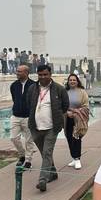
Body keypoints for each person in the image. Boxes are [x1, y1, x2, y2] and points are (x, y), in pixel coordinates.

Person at [27, 64, 69, 192]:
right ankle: (53, 172)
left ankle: (42, 180)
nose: (43, 77)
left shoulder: (59, 89)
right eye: (40, 75)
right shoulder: (32, 89)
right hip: (35, 127)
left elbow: (65, 105)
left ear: (50, 74)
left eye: (45, 74)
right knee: (45, 153)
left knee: (46, 152)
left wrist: (59, 120)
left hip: (52, 127)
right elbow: (29, 104)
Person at [10, 65, 36, 169]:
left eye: (19, 72)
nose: (17, 73)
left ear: (26, 73)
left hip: (28, 117)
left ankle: (28, 160)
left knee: (29, 140)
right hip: (16, 116)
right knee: (14, 138)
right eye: (17, 71)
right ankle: (22, 155)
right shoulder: (14, 85)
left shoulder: (33, 85)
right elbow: (14, 98)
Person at [65, 73, 90, 170]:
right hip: (67, 118)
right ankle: (73, 157)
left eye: (74, 80)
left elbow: (86, 106)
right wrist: (67, 113)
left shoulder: (82, 92)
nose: (72, 82)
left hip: (78, 119)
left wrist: (75, 113)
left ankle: (77, 158)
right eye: (70, 80)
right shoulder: (65, 92)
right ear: (68, 81)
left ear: (77, 81)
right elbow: (61, 105)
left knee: (77, 137)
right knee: (69, 138)